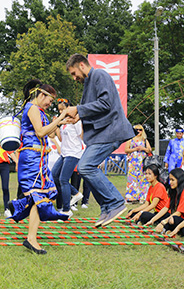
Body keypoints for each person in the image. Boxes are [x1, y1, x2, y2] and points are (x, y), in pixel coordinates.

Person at [66, 53, 135, 227]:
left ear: (82, 65)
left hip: (111, 131)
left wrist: (79, 109)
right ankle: (106, 208)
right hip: (102, 133)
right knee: (84, 169)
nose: (75, 78)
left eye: (74, 73)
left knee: (85, 166)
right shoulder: (89, 82)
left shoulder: (100, 75)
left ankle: (115, 202)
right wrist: (78, 117)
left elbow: (106, 104)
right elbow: (93, 109)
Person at [8, 79, 70, 254]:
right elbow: (41, 132)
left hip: (39, 157)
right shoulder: (33, 108)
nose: (50, 104)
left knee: (43, 195)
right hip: (32, 159)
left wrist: (62, 121)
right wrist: (60, 119)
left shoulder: (40, 111)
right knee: (39, 197)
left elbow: (49, 132)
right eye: (49, 101)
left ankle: (19, 207)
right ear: (41, 95)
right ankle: (30, 237)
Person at [52, 98, 85, 217]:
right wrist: (57, 125)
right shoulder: (63, 123)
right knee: (54, 175)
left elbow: (81, 136)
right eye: (59, 110)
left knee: (63, 179)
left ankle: (66, 210)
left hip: (73, 152)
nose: (61, 112)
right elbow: (61, 139)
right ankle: (75, 193)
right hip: (64, 152)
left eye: (63, 109)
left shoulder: (75, 121)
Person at [153, 168, 184, 236]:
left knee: (172, 219)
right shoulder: (174, 192)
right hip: (179, 219)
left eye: (172, 180)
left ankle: (169, 229)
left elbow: (179, 213)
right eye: (170, 180)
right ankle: (167, 229)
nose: (170, 182)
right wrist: (152, 220)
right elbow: (165, 208)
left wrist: (163, 223)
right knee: (161, 217)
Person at [124, 124, 151, 203]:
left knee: (143, 178)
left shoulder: (144, 140)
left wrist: (143, 148)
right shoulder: (130, 139)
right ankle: (131, 197)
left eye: (140, 130)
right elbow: (126, 150)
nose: (138, 131)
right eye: (137, 129)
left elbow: (149, 150)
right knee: (132, 179)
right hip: (133, 162)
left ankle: (143, 197)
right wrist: (135, 149)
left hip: (142, 162)